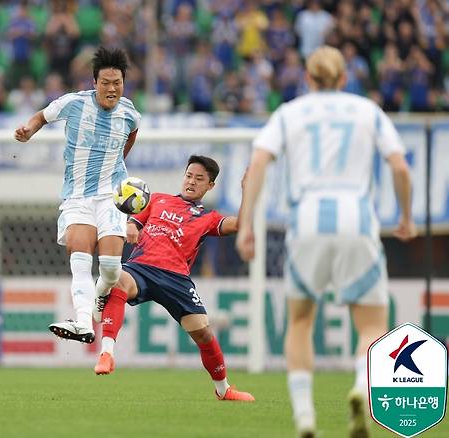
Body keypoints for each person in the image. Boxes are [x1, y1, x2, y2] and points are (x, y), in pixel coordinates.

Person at [236, 46, 416, 437]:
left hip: (307, 219)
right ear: (343, 78)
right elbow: (400, 167)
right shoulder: (367, 110)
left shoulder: (290, 112)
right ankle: (361, 387)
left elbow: (259, 161)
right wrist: (405, 216)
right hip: (357, 218)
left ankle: (304, 416)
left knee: (300, 321)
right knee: (372, 325)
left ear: (308, 77)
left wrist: (247, 224)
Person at [93, 155, 254, 403]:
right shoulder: (157, 199)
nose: (191, 182)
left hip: (176, 280)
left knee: (204, 334)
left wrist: (247, 191)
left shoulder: (208, 217)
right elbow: (134, 220)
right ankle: (106, 353)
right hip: (141, 268)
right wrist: (132, 226)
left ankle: (223, 390)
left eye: (199, 179)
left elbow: (240, 224)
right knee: (119, 281)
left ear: (210, 185)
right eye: (189, 176)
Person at [14, 46, 140, 344]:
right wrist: (28, 130)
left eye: (117, 83)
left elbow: (132, 135)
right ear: (94, 82)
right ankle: (83, 322)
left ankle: (98, 298)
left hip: (111, 198)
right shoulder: (73, 103)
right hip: (78, 197)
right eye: (106, 83)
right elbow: (41, 116)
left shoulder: (130, 113)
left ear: (124, 83)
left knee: (111, 269)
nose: (112, 89)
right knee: (80, 258)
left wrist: (115, 166)